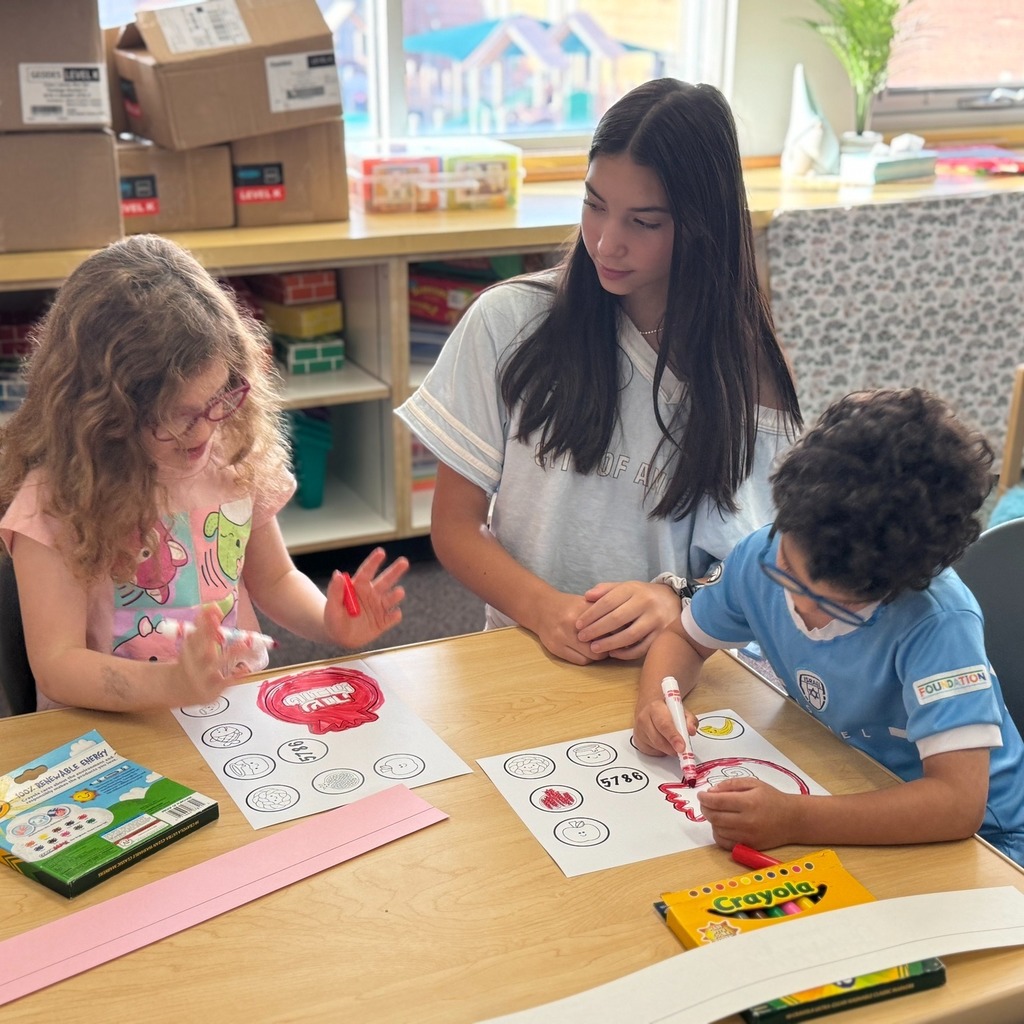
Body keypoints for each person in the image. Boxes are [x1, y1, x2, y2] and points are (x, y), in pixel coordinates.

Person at [396, 79, 802, 666]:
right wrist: (541, 609)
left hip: (677, 670)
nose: (607, 243)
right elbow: (455, 527)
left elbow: (760, 567)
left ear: (701, 226)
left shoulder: (748, 370)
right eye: (594, 204)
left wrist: (676, 601)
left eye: (644, 222)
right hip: (524, 652)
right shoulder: (508, 321)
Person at [0, 234, 408, 714]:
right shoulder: (59, 498)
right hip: (108, 731)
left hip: (225, 712)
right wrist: (170, 685)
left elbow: (274, 578)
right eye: (177, 415)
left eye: (218, 398)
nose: (205, 431)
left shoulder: (231, 453)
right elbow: (58, 664)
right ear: (102, 413)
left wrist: (330, 622)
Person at [634, 388, 1024, 866]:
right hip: (843, 779)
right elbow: (683, 641)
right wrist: (656, 700)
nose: (798, 603)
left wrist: (794, 820)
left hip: (982, 841)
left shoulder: (936, 623)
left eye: (833, 606)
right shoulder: (761, 554)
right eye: (786, 571)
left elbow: (958, 804)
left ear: (898, 585)